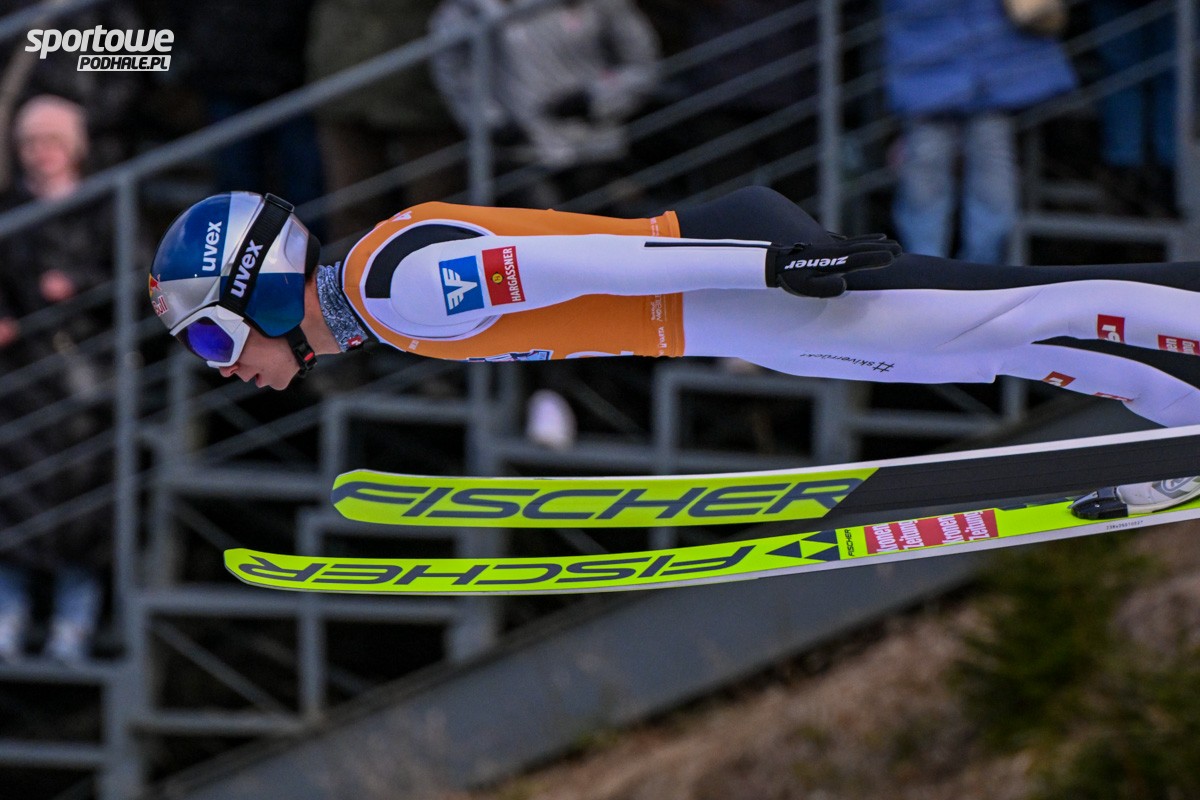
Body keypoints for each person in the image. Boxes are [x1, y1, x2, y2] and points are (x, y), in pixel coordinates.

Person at [148, 186, 1200, 520]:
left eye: (209, 333)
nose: (220, 363)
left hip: (736, 284)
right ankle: (1178, 426)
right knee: (993, 351)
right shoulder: (381, 306)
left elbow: (593, 259)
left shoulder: (396, 284)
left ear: (261, 288)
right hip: (737, 313)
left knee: (1006, 316)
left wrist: (772, 264)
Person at [883, 0, 1076, 263]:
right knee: (928, 160)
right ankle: (923, 265)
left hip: (990, 60)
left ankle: (982, 268)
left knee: (987, 164)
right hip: (931, 55)